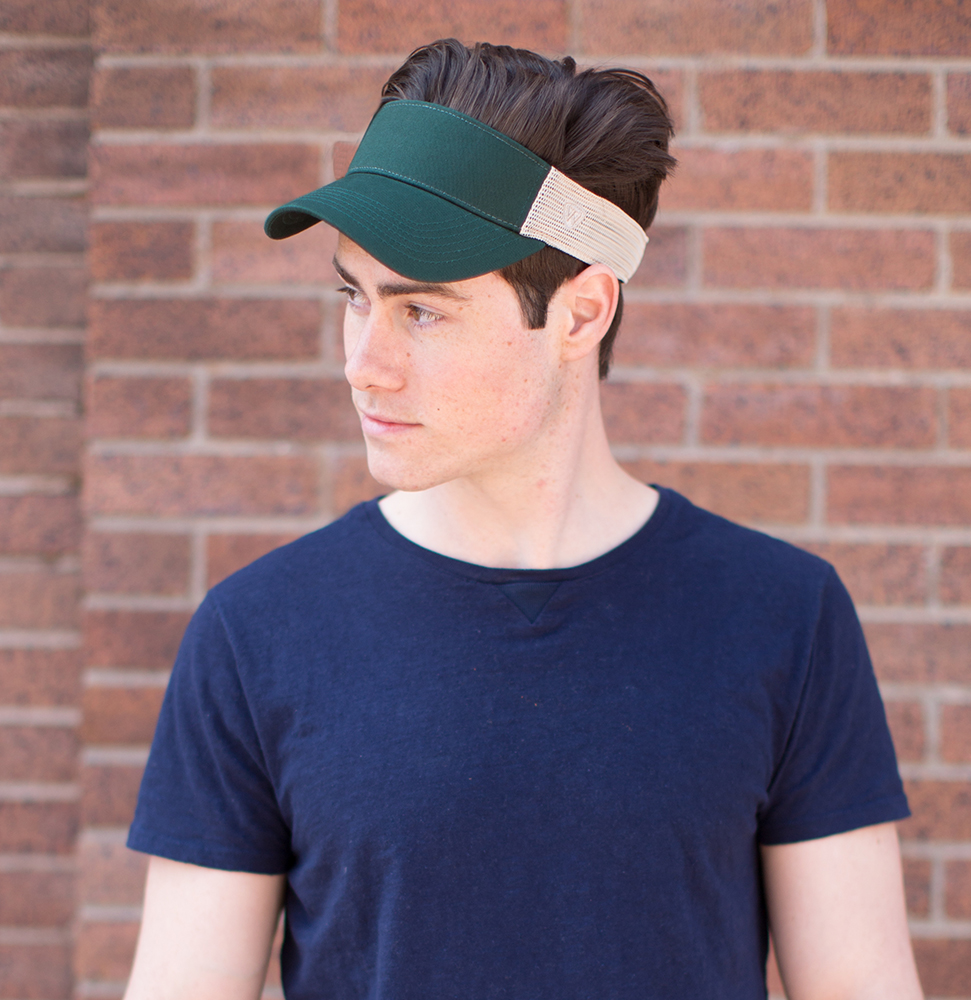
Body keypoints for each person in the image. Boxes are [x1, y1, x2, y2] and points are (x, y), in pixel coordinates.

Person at [123, 39, 924, 1000]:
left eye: (422, 312)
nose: (363, 365)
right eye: (353, 297)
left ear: (581, 315)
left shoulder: (783, 616)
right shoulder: (257, 632)